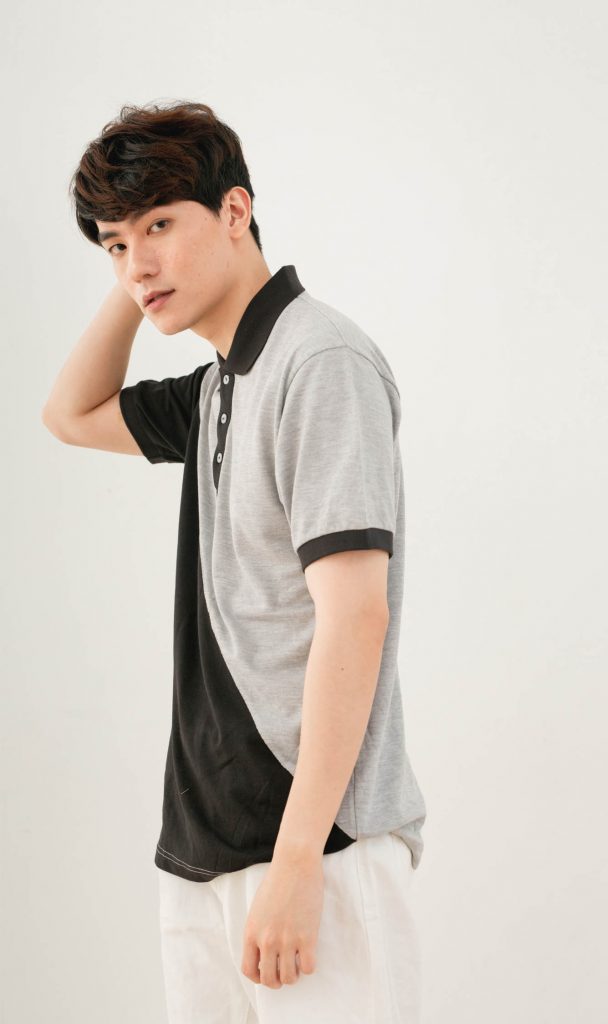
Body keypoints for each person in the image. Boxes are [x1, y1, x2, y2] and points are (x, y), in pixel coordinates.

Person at [42, 100, 427, 1023]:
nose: (135, 263)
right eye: (113, 244)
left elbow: (355, 614)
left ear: (235, 210)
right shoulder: (221, 383)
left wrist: (296, 860)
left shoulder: (317, 361)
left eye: (159, 225)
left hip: (312, 846)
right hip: (204, 847)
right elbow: (69, 415)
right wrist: (141, 269)